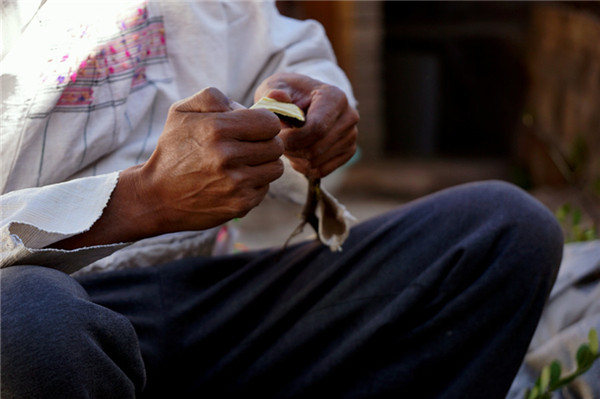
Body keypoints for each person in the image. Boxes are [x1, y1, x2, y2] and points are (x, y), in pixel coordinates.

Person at [0, 1, 563, 398]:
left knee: (502, 231)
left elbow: (283, 52)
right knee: (28, 326)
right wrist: (141, 200)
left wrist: (308, 105)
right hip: (43, 309)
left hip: (201, 300)